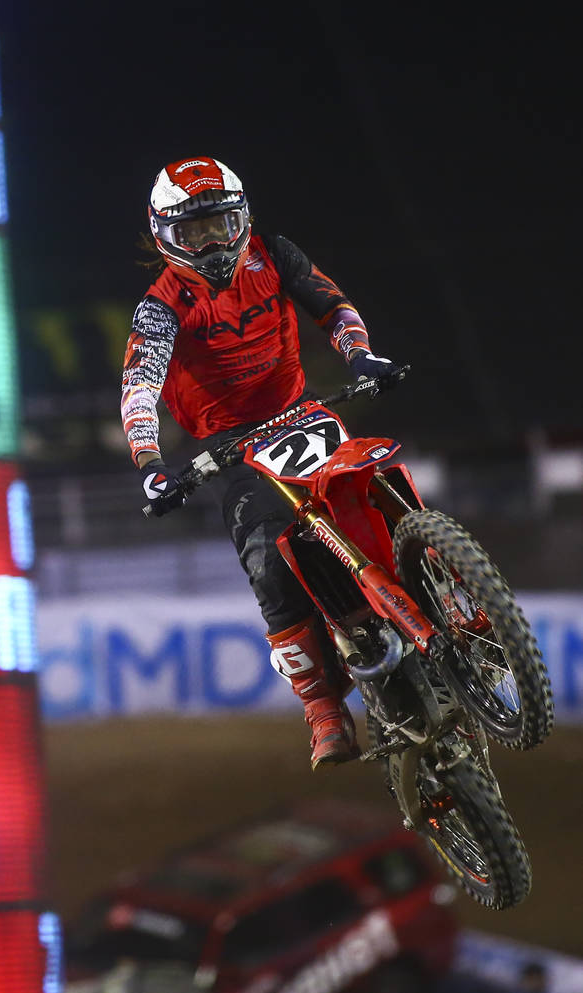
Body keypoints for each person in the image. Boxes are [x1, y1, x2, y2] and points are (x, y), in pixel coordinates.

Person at [122, 156, 402, 770]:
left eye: (220, 225)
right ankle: (324, 710)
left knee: (380, 486)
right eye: (193, 233)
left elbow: (333, 304)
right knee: (267, 559)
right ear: (165, 237)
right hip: (234, 447)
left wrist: (362, 358)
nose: (211, 242)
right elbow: (139, 387)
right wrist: (151, 462)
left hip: (303, 411)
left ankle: (444, 586)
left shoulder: (275, 254)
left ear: (242, 218)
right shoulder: (160, 306)